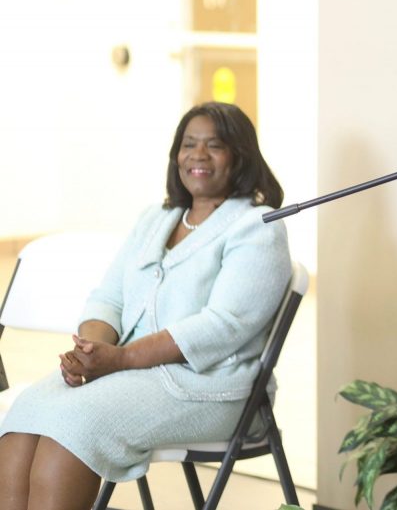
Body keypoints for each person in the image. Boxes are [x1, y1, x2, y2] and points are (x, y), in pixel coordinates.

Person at [0, 102, 291, 510]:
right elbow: (109, 297)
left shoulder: (258, 227)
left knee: (73, 424)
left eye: (214, 145)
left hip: (208, 389)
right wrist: (91, 351)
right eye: (189, 144)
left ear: (240, 156)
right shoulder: (156, 218)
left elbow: (222, 326)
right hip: (126, 372)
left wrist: (120, 359)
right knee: (26, 413)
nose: (198, 155)